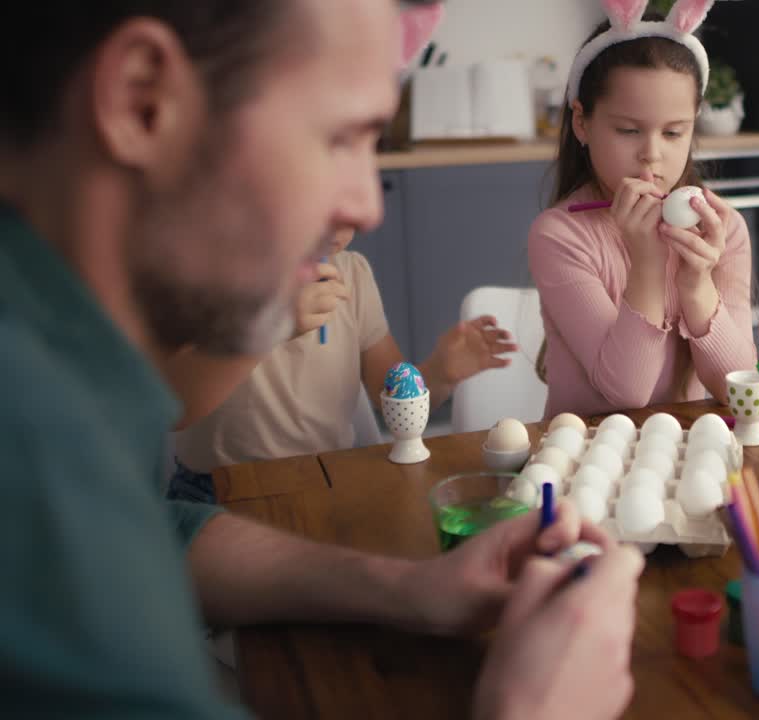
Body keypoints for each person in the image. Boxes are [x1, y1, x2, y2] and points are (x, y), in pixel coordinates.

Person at [0, 1, 641, 716]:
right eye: (341, 136)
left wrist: (409, 589)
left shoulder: (67, 373)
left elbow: (158, 535)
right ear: (143, 101)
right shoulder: (31, 463)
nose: (368, 205)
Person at [167, 224, 517, 504]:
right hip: (220, 490)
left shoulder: (352, 273)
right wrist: (271, 326)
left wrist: (440, 372)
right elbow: (175, 409)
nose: (350, 219)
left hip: (328, 476)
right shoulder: (210, 273)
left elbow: (389, 392)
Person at [528, 0, 757, 419]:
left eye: (673, 132)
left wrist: (696, 283)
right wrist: (648, 264)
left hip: (683, 457)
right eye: (628, 130)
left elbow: (737, 387)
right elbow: (627, 392)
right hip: (588, 457)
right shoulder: (559, 235)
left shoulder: (725, 230)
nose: (651, 155)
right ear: (582, 122)